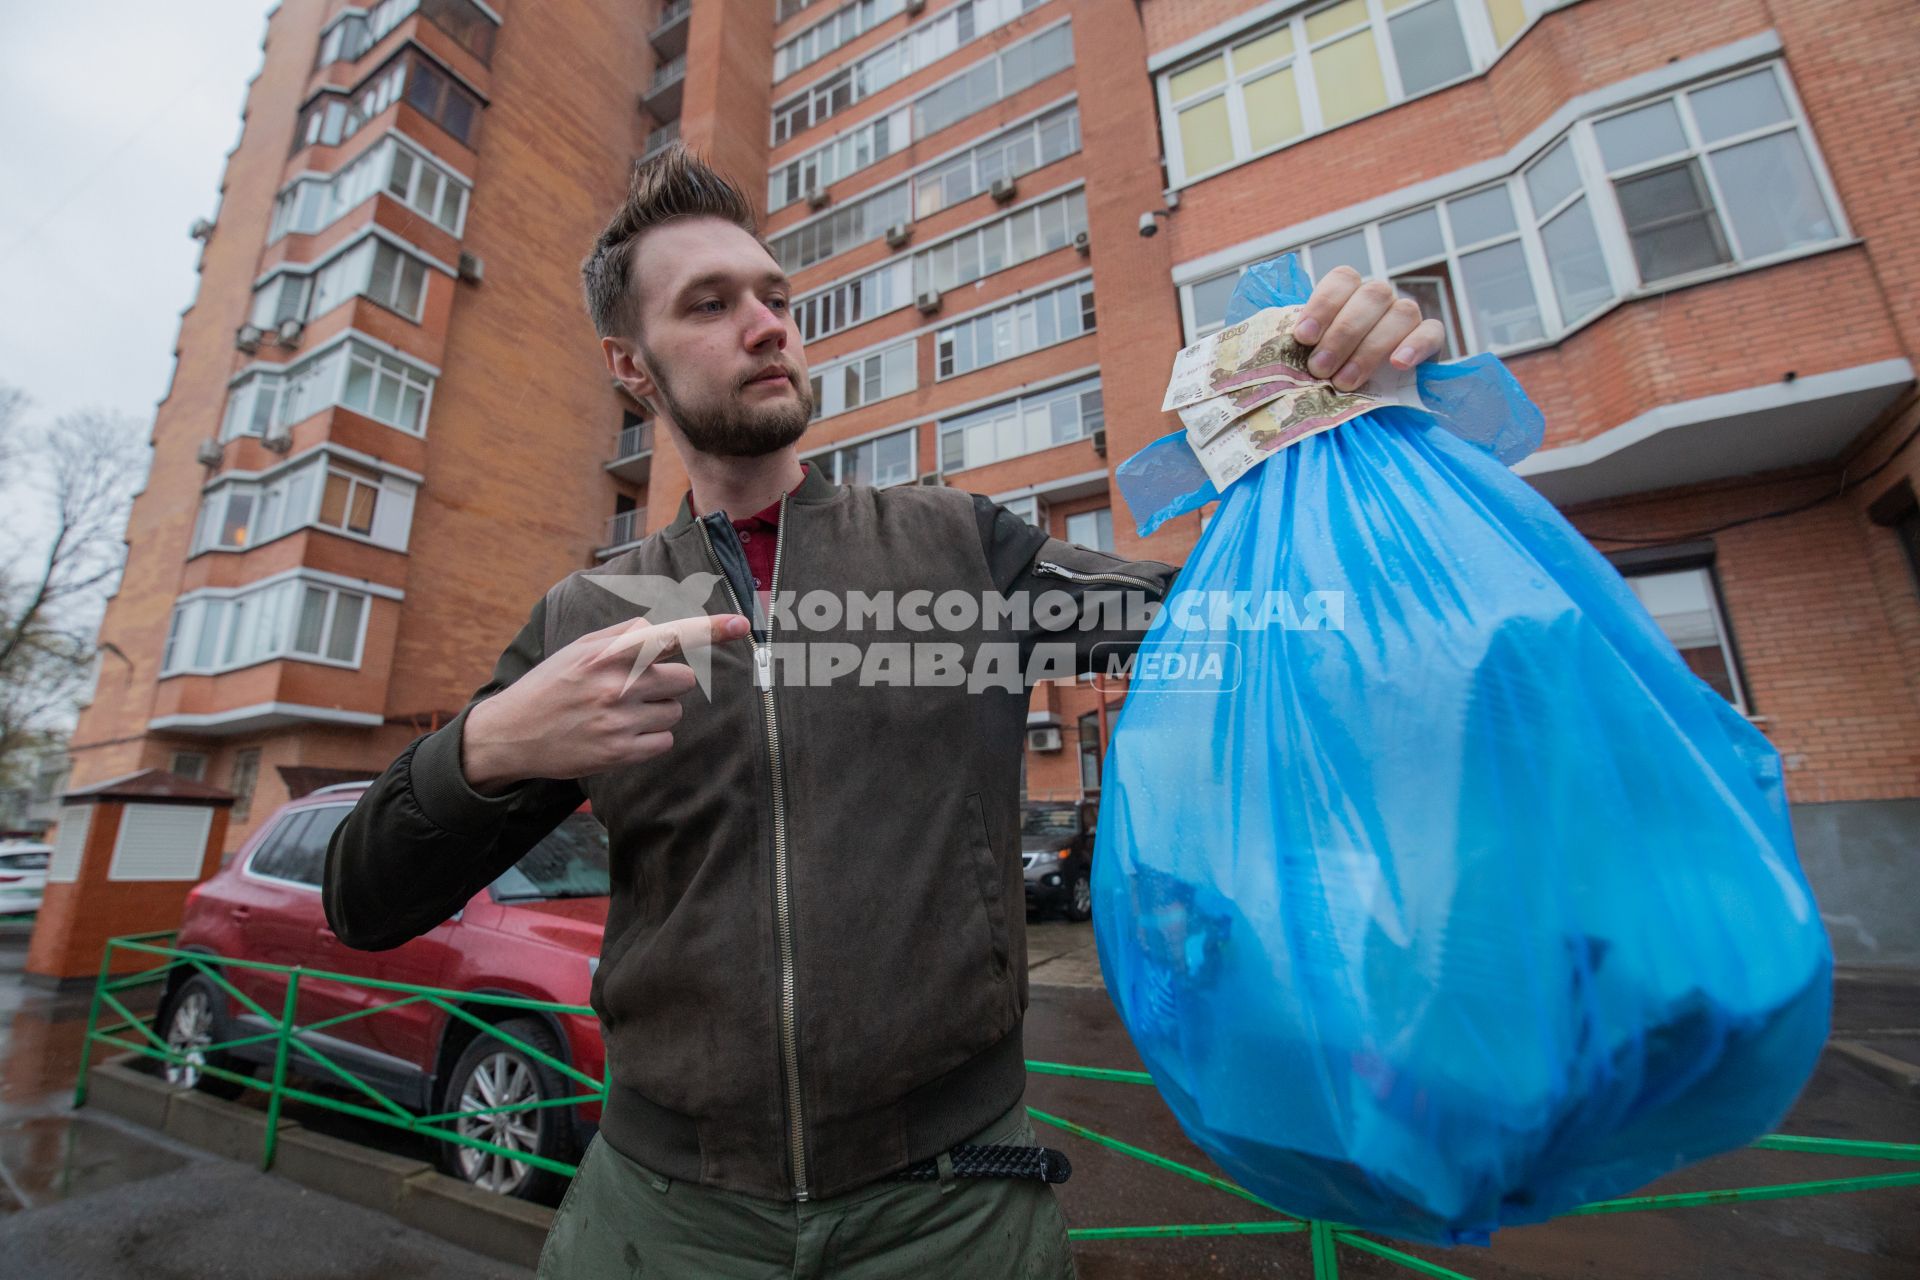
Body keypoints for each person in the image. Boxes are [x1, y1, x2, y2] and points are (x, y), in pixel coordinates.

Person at [322, 144, 1446, 1278]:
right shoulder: (592, 614)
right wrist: (491, 744)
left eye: (774, 296)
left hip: (952, 1210)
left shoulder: (959, 551)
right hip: (666, 1220)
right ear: (631, 366)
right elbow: (365, 900)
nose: (766, 324)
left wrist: (1337, 421)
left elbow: (1258, 634)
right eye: (710, 305)